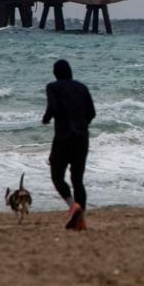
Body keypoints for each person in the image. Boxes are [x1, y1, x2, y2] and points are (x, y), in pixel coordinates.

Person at [42, 58, 96, 230]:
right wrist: (81, 124)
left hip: (63, 137)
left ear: (56, 74)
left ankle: (73, 206)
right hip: (82, 138)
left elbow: (53, 107)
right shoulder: (82, 87)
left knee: (57, 176)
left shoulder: (53, 87)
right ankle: (81, 220)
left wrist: (46, 119)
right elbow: (92, 113)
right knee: (77, 180)